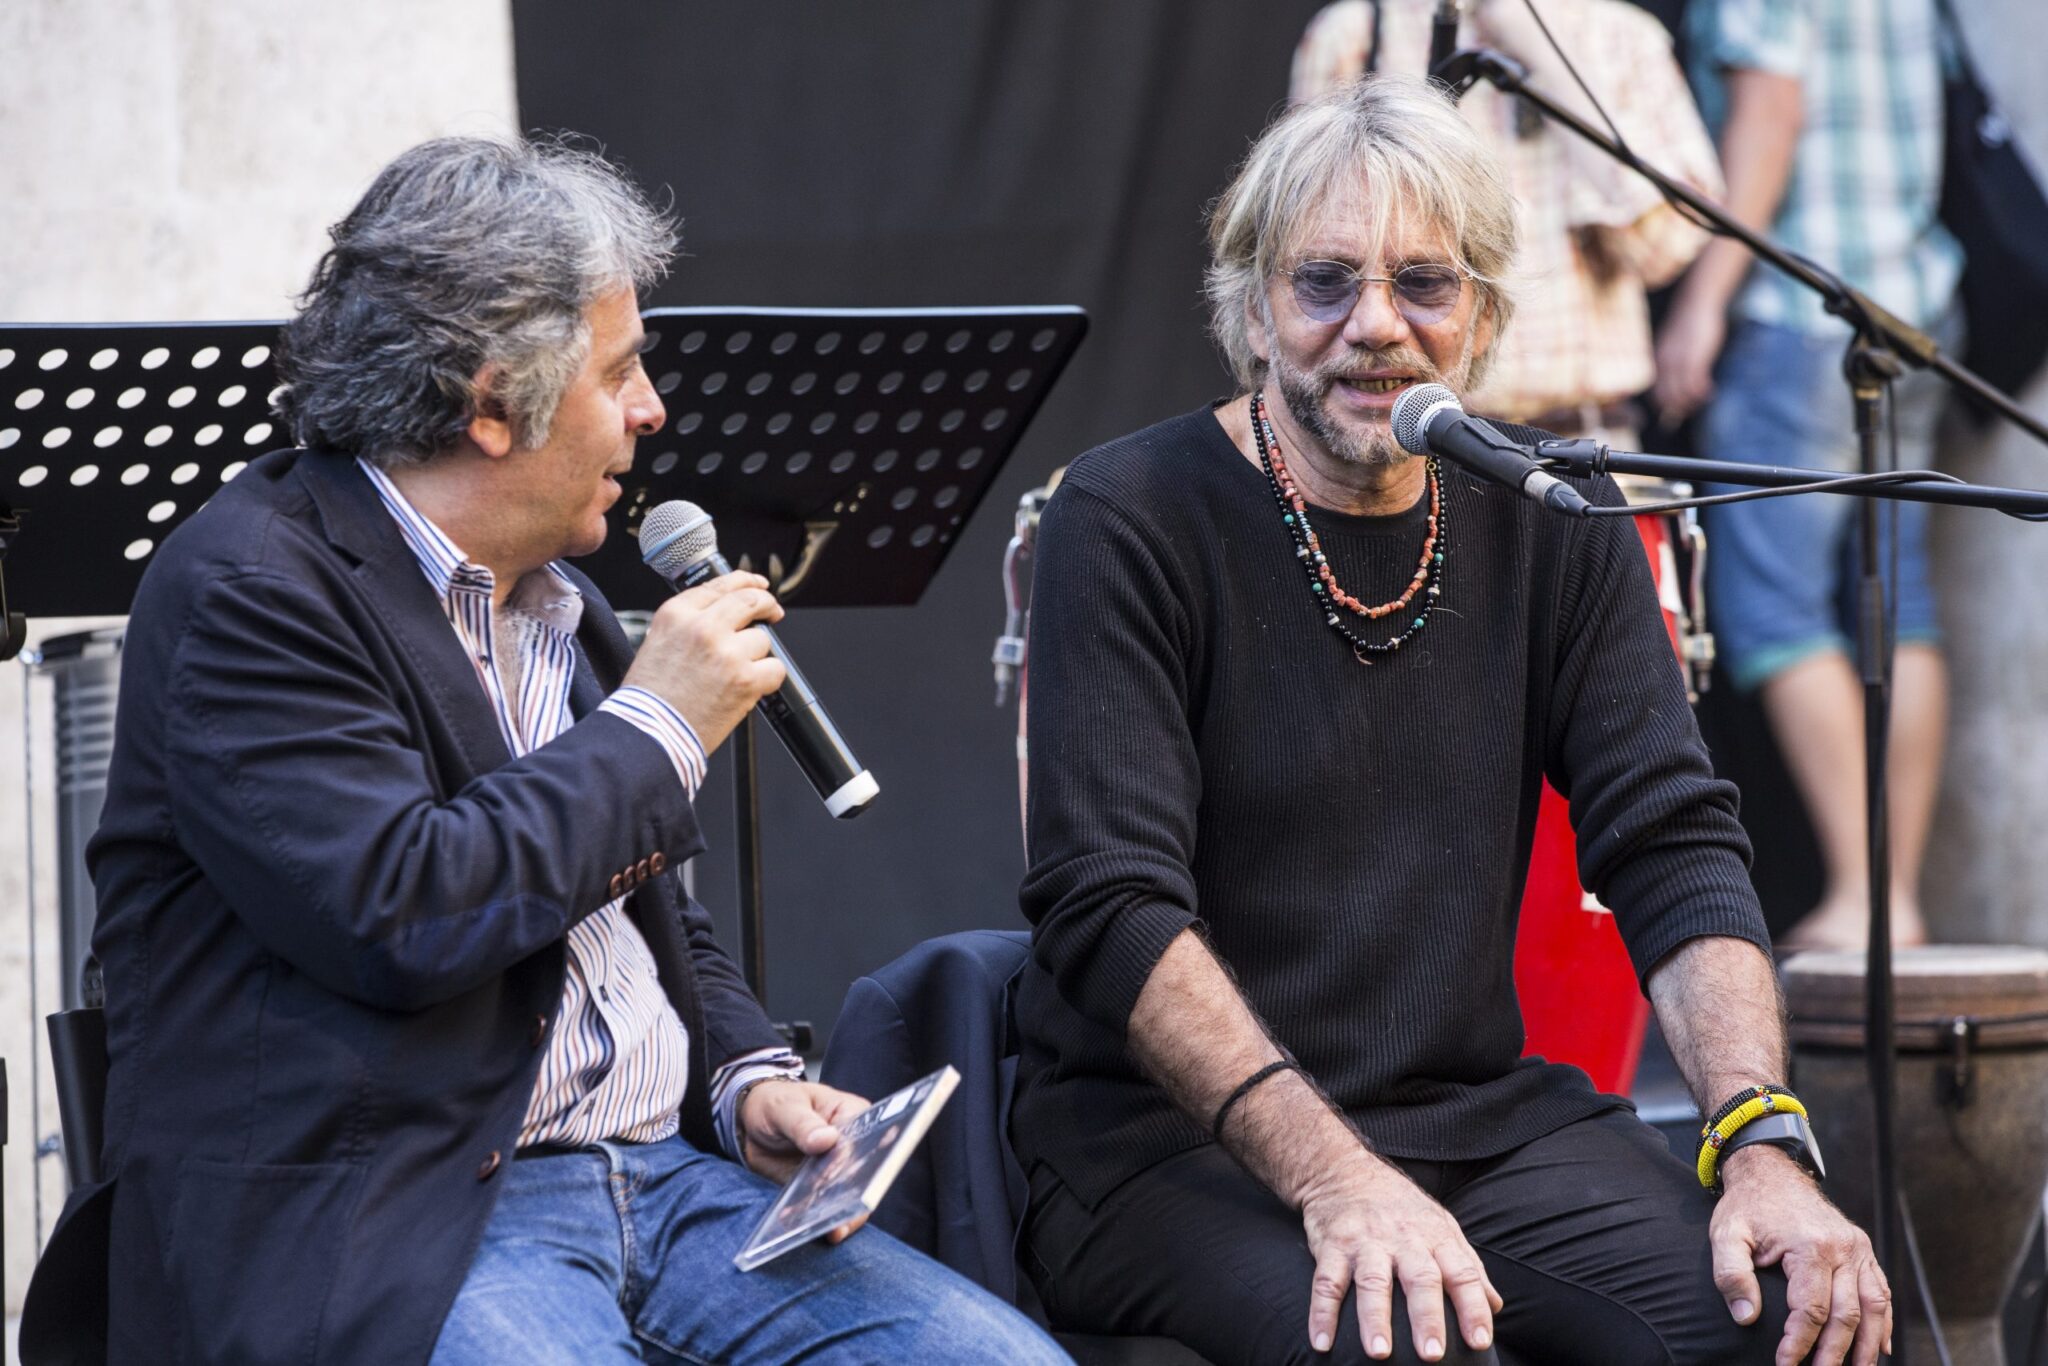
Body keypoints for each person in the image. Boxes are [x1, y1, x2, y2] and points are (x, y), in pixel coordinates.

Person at [43, 135, 1067, 1366]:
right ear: (489, 404)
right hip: (407, 1217)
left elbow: (640, 909)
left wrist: (744, 1077)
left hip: (669, 1185)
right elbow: (403, 913)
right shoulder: (253, 589)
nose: (652, 409)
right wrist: (658, 724)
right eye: (620, 369)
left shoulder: (554, 596)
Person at [1011, 76, 1888, 1366]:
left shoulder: (1550, 513)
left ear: (1478, 315)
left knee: (1793, 1321)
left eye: (1422, 283)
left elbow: (1672, 843)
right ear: (1251, 308)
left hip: (1470, 1119)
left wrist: (1760, 1143)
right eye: (1324, 282)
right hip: (1163, 1146)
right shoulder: (1127, 514)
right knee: (1412, 1346)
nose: (1375, 324)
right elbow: (1109, 903)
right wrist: (1335, 1179)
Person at [1655, 0, 1961, 950]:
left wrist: (1702, 304)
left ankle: (1866, 896)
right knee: (1897, 600)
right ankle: (1894, 896)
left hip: (1798, 315)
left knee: (1773, 606)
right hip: (1912, 305)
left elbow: (1770, 110)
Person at [1291, 0, 1723, 450]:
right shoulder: (1357, 33)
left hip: (1588, 439)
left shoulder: (1623, 37)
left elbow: (1664, 250)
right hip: (1421, 445)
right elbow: (1307, 257)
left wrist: (1548, 56)